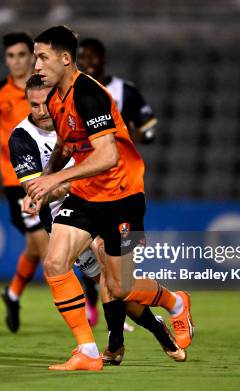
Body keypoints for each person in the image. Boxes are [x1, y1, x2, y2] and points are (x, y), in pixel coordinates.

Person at [27, 26, 193, 371]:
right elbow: (65, 144)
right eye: (35, 57)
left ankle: (176, 302)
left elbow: (107, 157)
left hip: (122, 196)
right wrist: (44, 183)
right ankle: (87, 352)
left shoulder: (90, 95)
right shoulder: (55, 97)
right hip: (87, 195)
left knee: (120, 288)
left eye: (42, 57)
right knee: (55, 263)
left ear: (65, 58)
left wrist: (57, 179)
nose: (36, 65)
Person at [77, 37, 159, 326]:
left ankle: (169, 302)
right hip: (88, 187)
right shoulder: (73, 94)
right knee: (85, 251)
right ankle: (110, 330)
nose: (87, 62)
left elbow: (150, 130)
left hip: (124, 187)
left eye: (92, 57)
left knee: (122, 277)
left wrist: (122, 137)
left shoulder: (125, 91)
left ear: (103, 60)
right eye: (81, 57)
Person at [0, 32, 48, 333]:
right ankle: (83, 315)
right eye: (11, 56)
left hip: (51, 176)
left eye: (21, 54)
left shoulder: (43, 88)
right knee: (47, 248)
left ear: (31, 56)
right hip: (17, 181)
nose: (16, 61)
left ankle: (13, 292)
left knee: (34, 246)